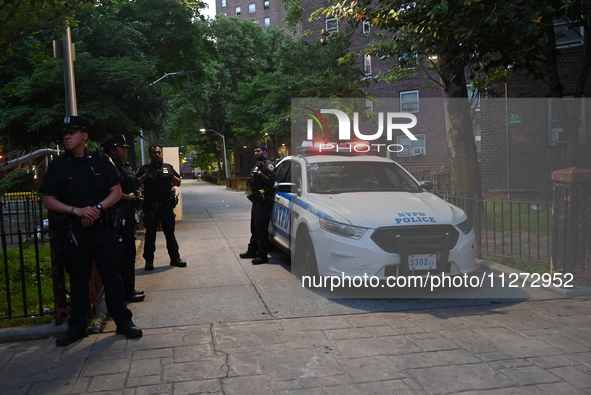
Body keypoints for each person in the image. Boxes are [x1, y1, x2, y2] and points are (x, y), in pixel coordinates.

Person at [39, 116, 142, 347]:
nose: (67, 136)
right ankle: (77, 328)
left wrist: (95, 209)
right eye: (65, 133)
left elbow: (115, 192)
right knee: (78, 280)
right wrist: (76, 211)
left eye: (72, 132)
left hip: (103, 228)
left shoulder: (102, 161)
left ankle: (123, 323)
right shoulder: (58, 166)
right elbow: (48, 199)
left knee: (111, 277)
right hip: (76, 232)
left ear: (84, 136)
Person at [101, 134, 144, 303]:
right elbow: (111, 191)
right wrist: (129, 197)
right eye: (122, 147)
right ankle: (124, 292)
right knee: (122, 256)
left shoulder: (120, 165)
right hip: (118, 216)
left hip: (128, 215)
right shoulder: (109, 166)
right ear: (112, 149)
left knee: (128, 253)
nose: (125, 149)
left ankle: (129, 289)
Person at [136, 145, 186, 270]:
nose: (157, 155)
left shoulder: (168, 167)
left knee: (170, 235)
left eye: (159, 152)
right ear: (150, 155)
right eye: (154, 153)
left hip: (166, 207)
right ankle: (149, 261)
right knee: (150, 235)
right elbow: (135, 183)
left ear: (162, 154)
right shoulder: (145, 168)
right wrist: (145, 176)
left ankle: (175, 258)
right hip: (151, 208)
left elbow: (178, 182)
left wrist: (171, 176)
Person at [239, 144, 276, 264]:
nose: (255, 153)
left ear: (265, 151)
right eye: (254, 151)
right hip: (256, 201)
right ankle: (252, 251)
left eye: (258, 151)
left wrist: (260, 175)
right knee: (254, 227)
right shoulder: (258, 165)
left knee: (261, 229)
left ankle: (262, 256)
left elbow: (271, 181)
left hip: (264, 201)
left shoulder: (268, 165)